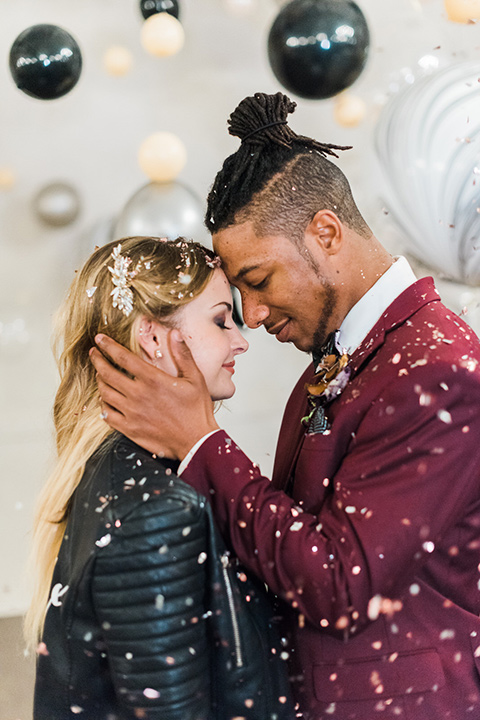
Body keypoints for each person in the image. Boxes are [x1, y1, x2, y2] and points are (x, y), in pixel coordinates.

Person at [90, 93, 480, 720]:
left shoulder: (438, 369)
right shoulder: (345, 357)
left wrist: (199, 442)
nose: (258, 315)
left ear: (325, 232)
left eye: (260, 281)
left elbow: (338, 582)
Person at [26, 235, 294, 720]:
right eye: (220, 319)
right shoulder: (156, 509)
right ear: (153, 338)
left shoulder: (121, 472)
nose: (241, 338)